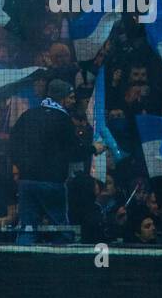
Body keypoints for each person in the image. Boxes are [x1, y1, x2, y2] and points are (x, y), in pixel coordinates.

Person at [8, 79, 97, 244]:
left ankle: (22, 263)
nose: (73, 101)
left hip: (27, 182)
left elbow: (12, 144)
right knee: (61, 228)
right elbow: (74, 152)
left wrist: (21, 167)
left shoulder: (28, 115)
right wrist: (93, 149)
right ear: (61, 98)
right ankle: (61, 266)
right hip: (52, 184)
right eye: (70, 97)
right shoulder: (62, 120)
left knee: (28, 227)